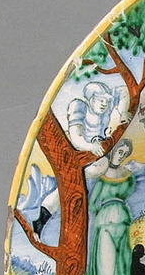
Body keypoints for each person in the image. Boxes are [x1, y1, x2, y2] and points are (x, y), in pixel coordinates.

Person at [33, 81, 129, 237]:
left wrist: (123, 111)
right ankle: (41, 220)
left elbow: (124, 91)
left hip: (96, 158)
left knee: (75, 188)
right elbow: (76, 137)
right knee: (65, 190)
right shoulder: (79, 107)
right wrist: (90, 146)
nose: (104, 104)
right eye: (100, 100)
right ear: (91, 98)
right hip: (77, 155)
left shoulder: (107, 107)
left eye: (106, 100)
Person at [85, 137, 136, 275]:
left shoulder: (127, 175)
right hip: (105, 223)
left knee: (121, 261)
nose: (121, 155)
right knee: (107, 262)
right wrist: (102, 214)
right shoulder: (102, 176)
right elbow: (92, 203)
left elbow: (128, 192)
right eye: (120, 151)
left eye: (125, 153)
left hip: (122, 221)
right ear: (113, 151)